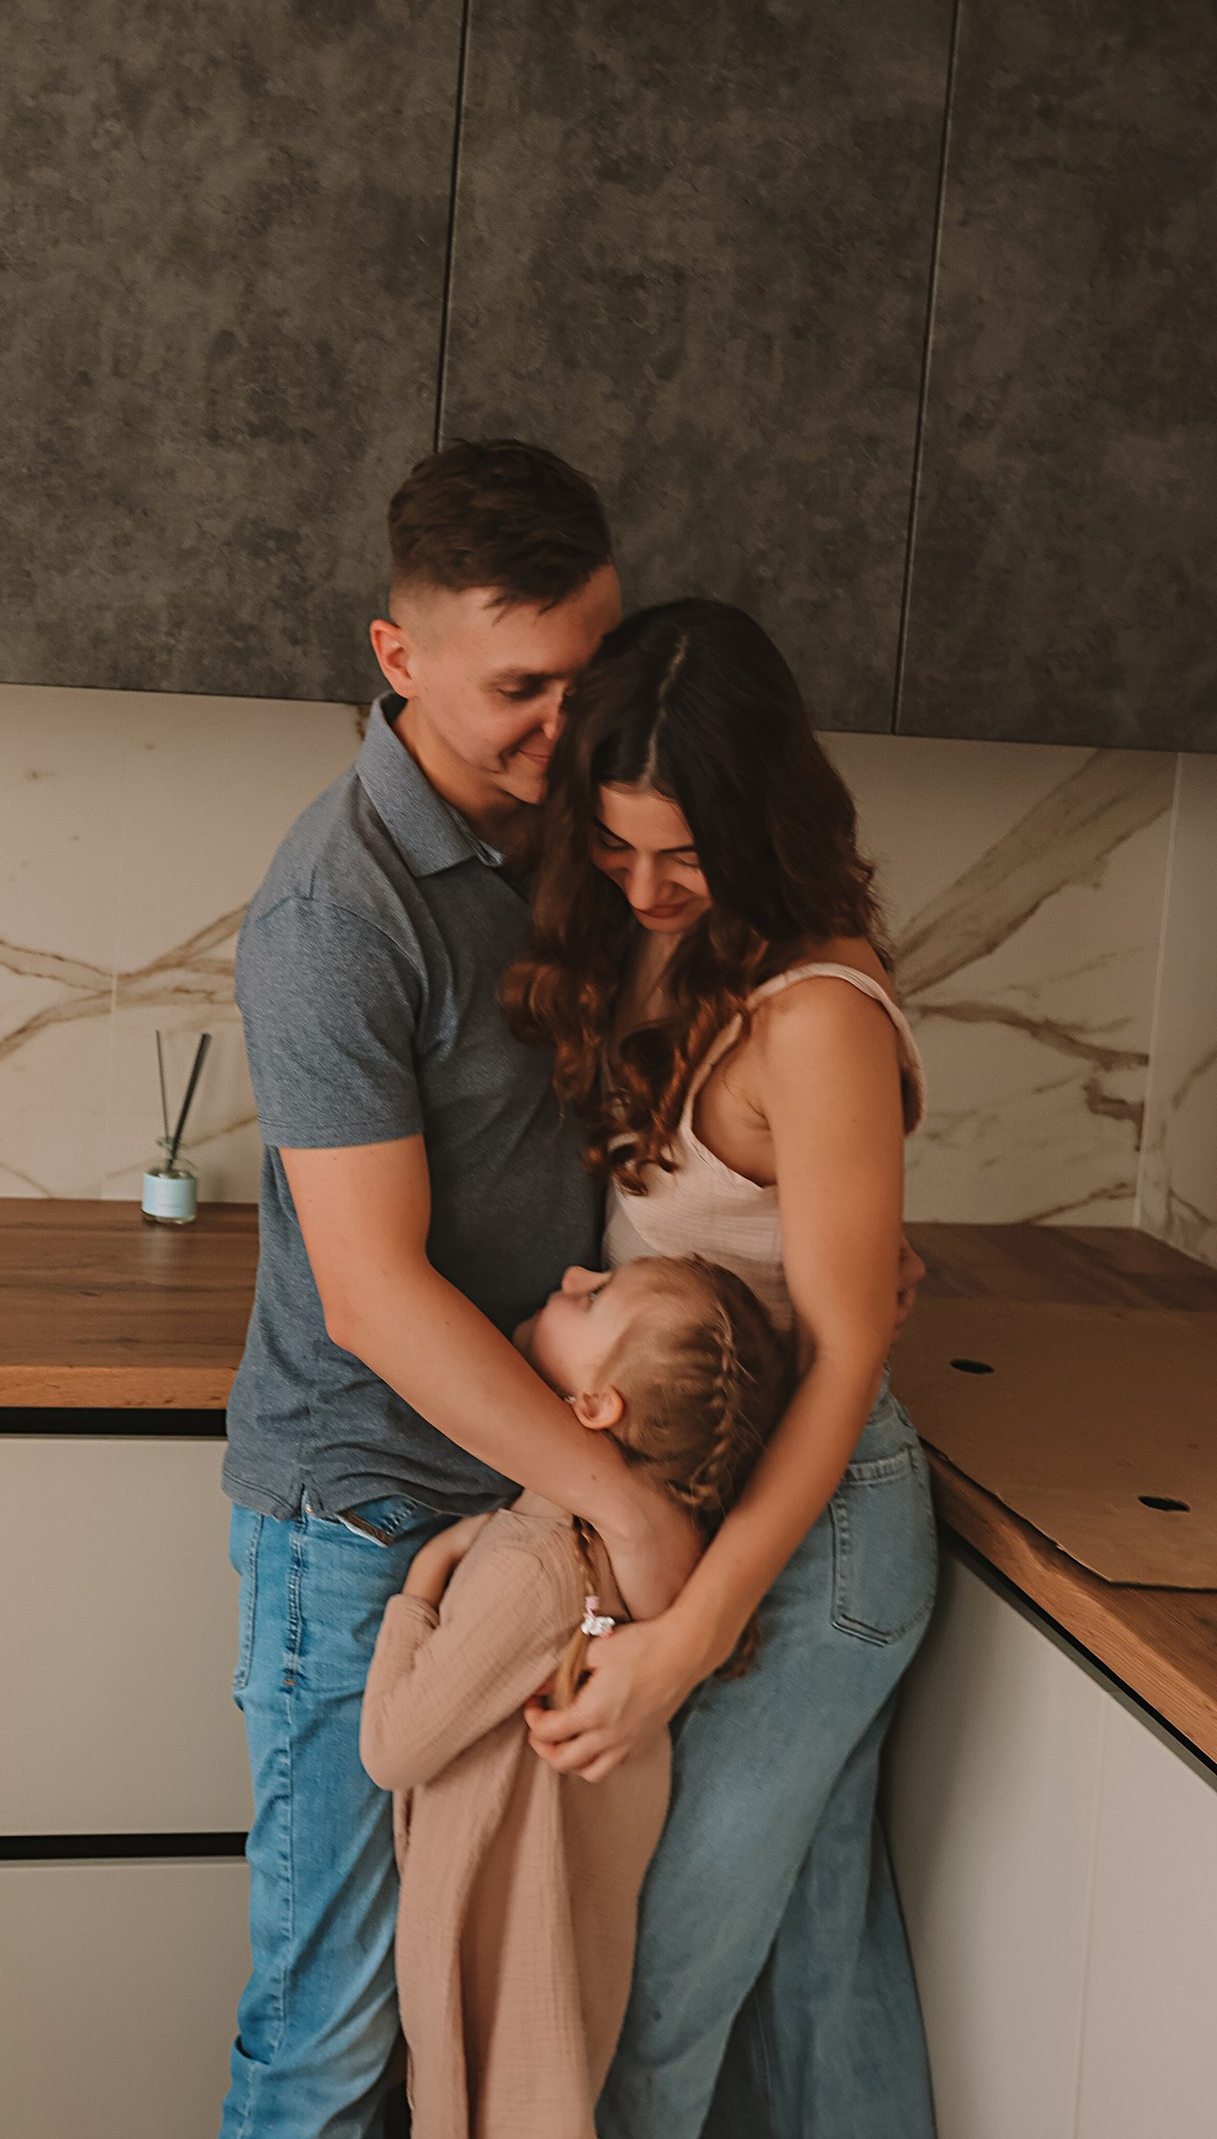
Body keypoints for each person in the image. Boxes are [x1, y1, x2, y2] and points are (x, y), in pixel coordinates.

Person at [219, 442, 697, 2139]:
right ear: (398, 656)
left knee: (474, 2016)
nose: (571, 723)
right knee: (333, 2031)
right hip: (362, 1525)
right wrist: (623, 1505)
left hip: (518, 1511)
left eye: (592, 671)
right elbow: (372, 1296)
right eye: (522, 690)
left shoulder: (586, 841)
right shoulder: (335, 913)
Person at [504, 597, 940, 2139]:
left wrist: (690, 1637)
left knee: (647, 1999)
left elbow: (846, 1351)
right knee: (815, 1974)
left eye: (681, 854)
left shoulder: (811, 1016)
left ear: (761, 822)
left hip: (816, 1545)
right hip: (733, 1510)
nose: (644, 888)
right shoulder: (661, 947)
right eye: (615, 847)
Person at [360, 1252, 796, 2139]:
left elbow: (392, 1749)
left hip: (489, 1973)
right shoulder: (640, 1574)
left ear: (597, 1407)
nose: (568, 1274)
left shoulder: (536, 1566)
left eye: (592, 1297)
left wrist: (423, 1578)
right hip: (559, 1978)